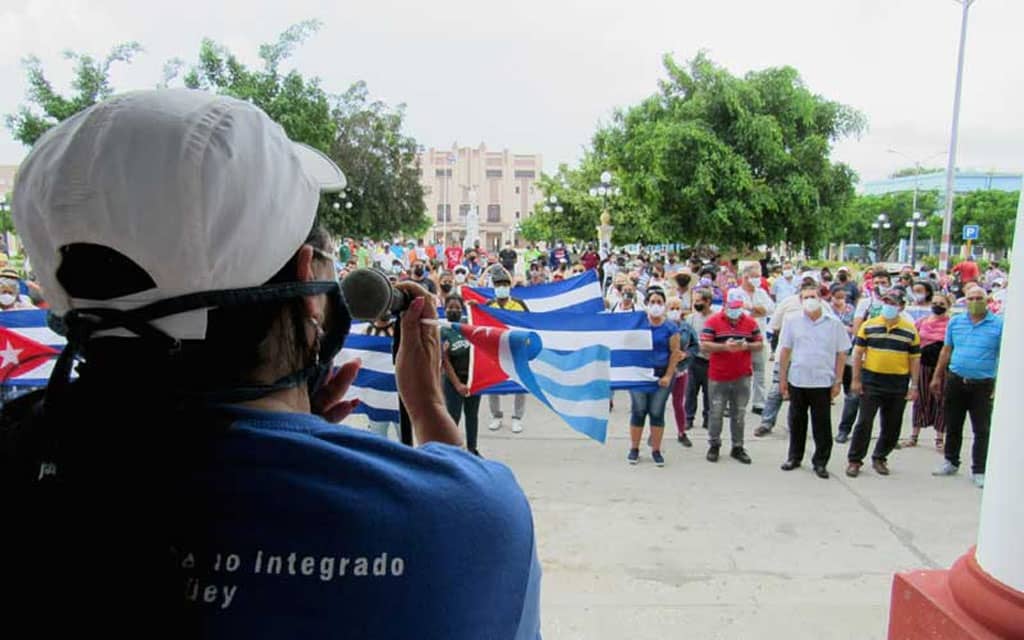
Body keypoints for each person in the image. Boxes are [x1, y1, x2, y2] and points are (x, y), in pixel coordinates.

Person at [1, 90, 541, 637]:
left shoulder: (27, 456)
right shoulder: (473, 516)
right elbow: (467, 538)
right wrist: (427, 411)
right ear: (309, 286)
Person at [931, 284, 1003, 489]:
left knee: (981, 428)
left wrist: (998, 384)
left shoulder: (998, 325)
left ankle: (979, 469)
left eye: (978, 298)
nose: (974, 302)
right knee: (953, 423)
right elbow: (946, 350)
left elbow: (1002, 355)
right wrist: (937, 376)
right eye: (970, 299)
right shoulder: (956, 322)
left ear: (987, 300)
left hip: (983, 384)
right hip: (956, 379)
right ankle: (951, 461)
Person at [846, 287, 920, 478]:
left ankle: (880, 457)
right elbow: (858, 353)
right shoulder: (869, 325)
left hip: (897, 382)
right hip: (872, 379)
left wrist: (914, 385)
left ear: (901, 306)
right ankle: (855, 460)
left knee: (892, 424)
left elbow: (914, 359)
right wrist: (856, 379)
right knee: (864, 422)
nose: (888, 306)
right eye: (886, 302)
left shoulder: (909, 330)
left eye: (893, 303)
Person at [778, 284, 850, 479]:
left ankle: (820, 462)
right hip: (798, 379)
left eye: (812, 296)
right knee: (796, 422)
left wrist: (838, 381)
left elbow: (841, 354)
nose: (809, 300)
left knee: (822, 425)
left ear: (820, 299)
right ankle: (794, 457)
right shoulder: (792, 322)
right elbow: (785, 351)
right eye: (805, 297)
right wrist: (782, 379)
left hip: (822, 381)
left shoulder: (834, 324)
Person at [700, 289, 762, 465]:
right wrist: (724, 347)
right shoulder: (713, 321)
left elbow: (759, 343)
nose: (735, 312)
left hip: (742, 375)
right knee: (716, 412)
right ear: (725, 306)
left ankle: (738, 446)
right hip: (719, 375)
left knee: (739, 413)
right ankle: (714, 444)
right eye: (731, 307)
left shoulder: (749, 322)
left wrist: (746, 346)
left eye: (738, 308)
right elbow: (704, 344)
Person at [626, 288, 683, 466]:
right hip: (639, 375)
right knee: (639, 410)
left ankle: (656, 450)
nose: (656, 306)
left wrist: (668, 375)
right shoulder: (638, 324)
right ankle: (634, 448)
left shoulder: (671, 328)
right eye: (653, 302)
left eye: (659, 302)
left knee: (657, 412)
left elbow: (675, 353)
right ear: (646, 304)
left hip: (662, 375)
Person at [900, 292, 951, 449]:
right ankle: (914, 436)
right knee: (920, 399)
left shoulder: (951, 324)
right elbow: (913, 342)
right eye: (935, 303)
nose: (937, 306)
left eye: (942, 304)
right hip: (922, 365)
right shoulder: (922, 322)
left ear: (948, 306)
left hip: (942, 368)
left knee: (941, 401)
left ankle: (939, 439)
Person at [483, 266, 529, 434]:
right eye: (498, 284)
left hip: (516, 349)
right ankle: (496, 416)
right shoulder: (489, 304)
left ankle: (517, 418)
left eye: (504, 284)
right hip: (495, 350)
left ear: (509, 286)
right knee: (493, 383)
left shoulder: (519, 304)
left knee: (520, 383)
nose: (501, 287)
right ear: (494, 287)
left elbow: (528, 324)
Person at [440, 295, 482, 457]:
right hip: (453, 381)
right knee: (453, 416)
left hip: (473, 379)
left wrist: (477, 308)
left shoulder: (469, 326)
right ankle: (452, 452)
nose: (454, 311)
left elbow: (486, 328)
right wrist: (457, 384)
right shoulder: (442, 330)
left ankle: (472, 450)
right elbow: (445, 361)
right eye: (450, 308)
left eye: (457, 308)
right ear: (445, 310)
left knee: (472, 416)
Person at [731, 264, 774, 414]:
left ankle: (759, 403)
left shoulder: (762, 293)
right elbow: (737, 314)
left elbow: (769, 309)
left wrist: (750, 308)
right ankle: (737, 402)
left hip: (759, 337)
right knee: (740, 372)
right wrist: (756, 310)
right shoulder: (734, 293)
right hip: (741, 338)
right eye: (754, 276)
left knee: (760, 371)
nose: (757, 280)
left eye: (759, 276)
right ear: (745, 277)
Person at [666, 296, 700, 447]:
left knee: (679, 403)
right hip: (663, 369)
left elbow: (695, 346)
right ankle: (655, 431)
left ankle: (681, 432)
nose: (674, 311)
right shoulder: (661, 326)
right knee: (657, 404)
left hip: (680, 370)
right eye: (671, 308)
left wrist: (685, 354)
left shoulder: (687, 327)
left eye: (677, 308)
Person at [685, 288, 715, 431]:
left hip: (712, 361)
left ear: (708, 301)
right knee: (691, 391)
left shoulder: (716, 318)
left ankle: (708, 419)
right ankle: (688, 418)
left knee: (709, 393)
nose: (696, 304)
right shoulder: (691, 319)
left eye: (699, 301)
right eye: (694, 301)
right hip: (695, 360)